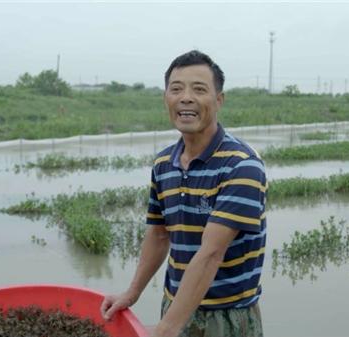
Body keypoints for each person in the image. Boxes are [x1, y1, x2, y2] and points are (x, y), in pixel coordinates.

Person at [100, 50, 267, 337]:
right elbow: (159, 234)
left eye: (199, 89)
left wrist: (166, 329)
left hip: (225, 318)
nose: (186, 97)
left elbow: (211, 253)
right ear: (166, 98)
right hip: (174, 305)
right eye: (176, 89)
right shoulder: (164, 163)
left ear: (218, 100)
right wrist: (132, 292)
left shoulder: (242, 165)